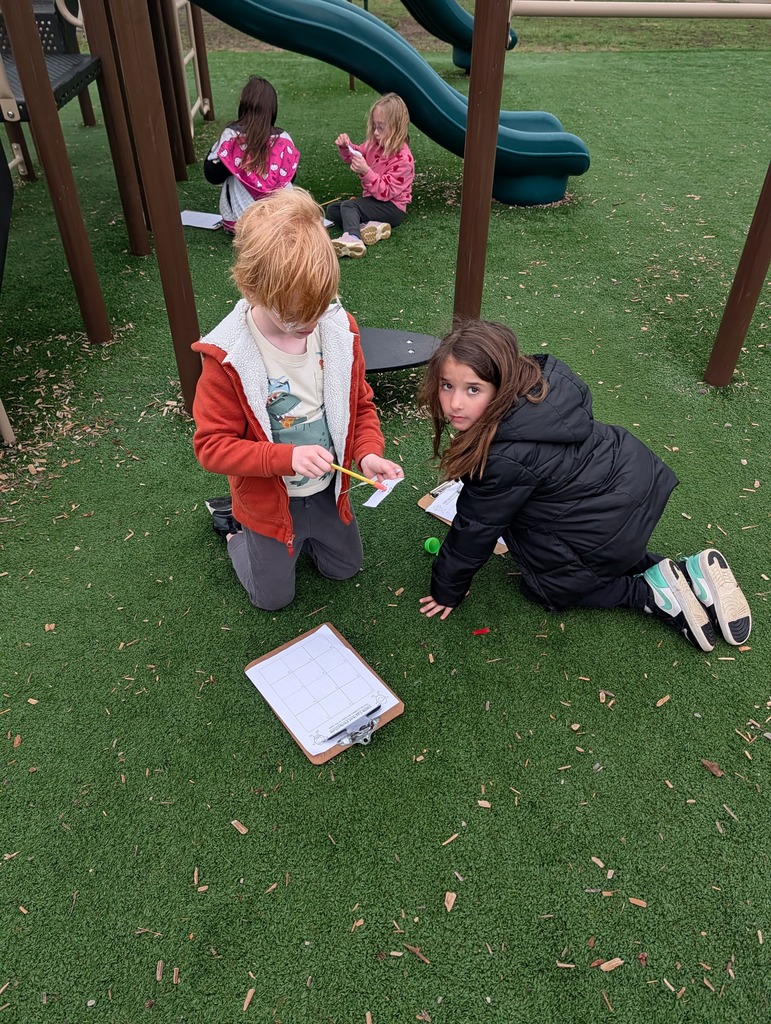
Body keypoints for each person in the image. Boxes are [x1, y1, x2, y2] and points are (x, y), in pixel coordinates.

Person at [416, 320, 752, 652]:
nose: (455, 403)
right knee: (588, 547)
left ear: (500, 385)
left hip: (605, 522)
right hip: (632, 493)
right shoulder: (540, 386)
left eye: (472, 389)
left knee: (547, 587)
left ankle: (649, 594)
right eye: (447, 386)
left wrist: (447, 589)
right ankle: (687, 573)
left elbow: (475, 531)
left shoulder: (502, 457)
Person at [191, 188, 403, 611]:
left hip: (327, 492)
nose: (308, 325)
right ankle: (235, 533)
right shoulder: (228, 355)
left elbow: (360, 405)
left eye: (318, 308)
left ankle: (301, 536)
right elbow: (211, 447)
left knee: (344, 568)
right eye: (292, 317)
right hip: (268, 502)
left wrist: (367, 455)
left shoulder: (339, 330)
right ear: (253, 289)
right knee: (272, 599)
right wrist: (284, 460)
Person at [204, 76, 300, 233]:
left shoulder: (231, 136)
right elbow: (290, 177)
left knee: (230, 174)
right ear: (273, 109)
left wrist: (234, 160)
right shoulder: (284, 138)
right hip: (280, 220)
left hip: (242, 223)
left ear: (243, 105)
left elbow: (212, 175)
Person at [329, 92, 414, 259]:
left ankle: (353, 238)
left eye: (381, 127)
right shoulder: (375, 144)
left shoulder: (404, 159)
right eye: (374, 126)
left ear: (396, 128)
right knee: (334, 209)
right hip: (375, 200)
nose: (375, 132)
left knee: (349, 207)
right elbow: (357, 153)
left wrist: (366, 171)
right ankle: (371, 226)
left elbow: (385, 192)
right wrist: (346, 147)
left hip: (392, 207)